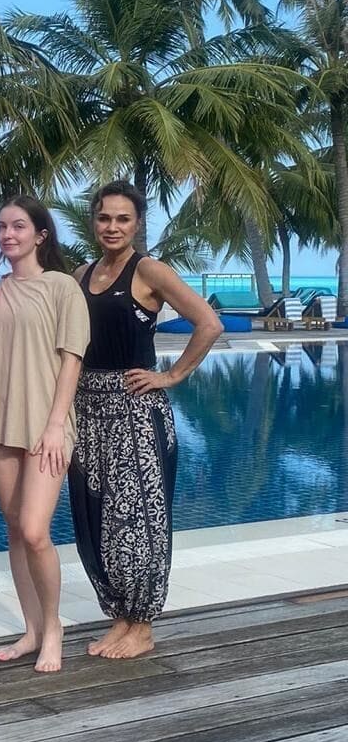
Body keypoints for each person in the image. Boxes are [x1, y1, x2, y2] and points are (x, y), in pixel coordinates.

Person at [69, 181, 222, 660]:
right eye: (104, 218)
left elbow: (209, 323)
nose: (112, 227)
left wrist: (171, 375)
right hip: (87, 410)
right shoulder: (81, 274)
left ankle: (143, 625)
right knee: (94, 516)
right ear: (93, 222)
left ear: (137, 224)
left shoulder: (149, 270)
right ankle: (120, 617)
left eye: (123, 219)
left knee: (139, 520)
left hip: (134, 412)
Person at [0, 194, 90, 674]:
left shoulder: (62, 287)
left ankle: (53, 627)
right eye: (3, 226)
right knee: (13, 528)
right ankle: (30, 629)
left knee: (34, 530)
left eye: (19, 226)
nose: (8, 234)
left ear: (41, 235)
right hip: (1, 420)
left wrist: (55, 425)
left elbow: (72, 359)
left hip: (48, 423)